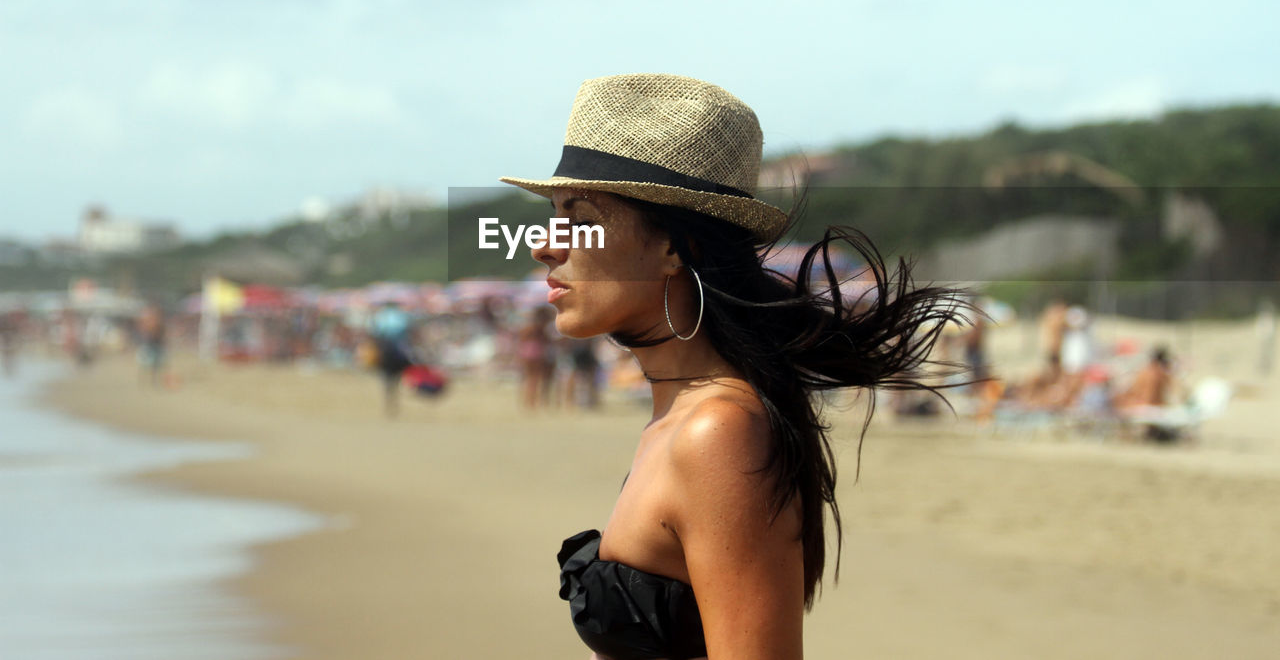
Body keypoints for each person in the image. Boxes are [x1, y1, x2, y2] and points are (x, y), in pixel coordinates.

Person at [500, 74, 965, 659]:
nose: (544, 243)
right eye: (553, 212)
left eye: (580, 214)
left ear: (675, 246)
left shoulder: (717, 432)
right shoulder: (684, 413)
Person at [370, 301, 414, 418]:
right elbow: (405, 332)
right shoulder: (401, 315)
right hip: (397, 346)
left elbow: (376, 332)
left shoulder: (381, 316)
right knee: (408, 355)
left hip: (388, 346)